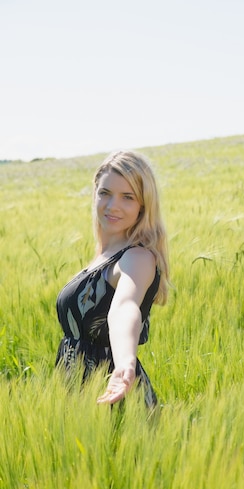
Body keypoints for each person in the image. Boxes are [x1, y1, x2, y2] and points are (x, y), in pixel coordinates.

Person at [55, 150, 169, 408]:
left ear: (143, 204)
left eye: (127, 197)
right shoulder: (105, 256)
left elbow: (124, 308)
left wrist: (125, 362)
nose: (112, 205)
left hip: (113, 390)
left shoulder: (137, 257)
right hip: (78, 388)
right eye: (105, 193)